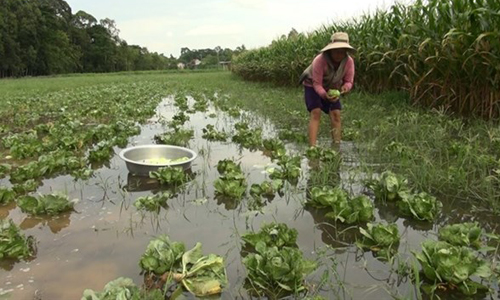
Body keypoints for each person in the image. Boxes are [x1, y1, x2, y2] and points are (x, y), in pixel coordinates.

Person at [299, 32, 356, 146]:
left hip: (332, 86)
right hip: (312, 84)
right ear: (330, 50)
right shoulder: (320, 60)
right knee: (316, 112)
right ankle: (312, 147)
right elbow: (317, 84)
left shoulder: (349, 62)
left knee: (336, 114)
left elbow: (349, 81)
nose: (339, 54)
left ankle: (336, 145)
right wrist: (325, 96)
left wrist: (345, 88)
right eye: (336, 51)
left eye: (342, 51)